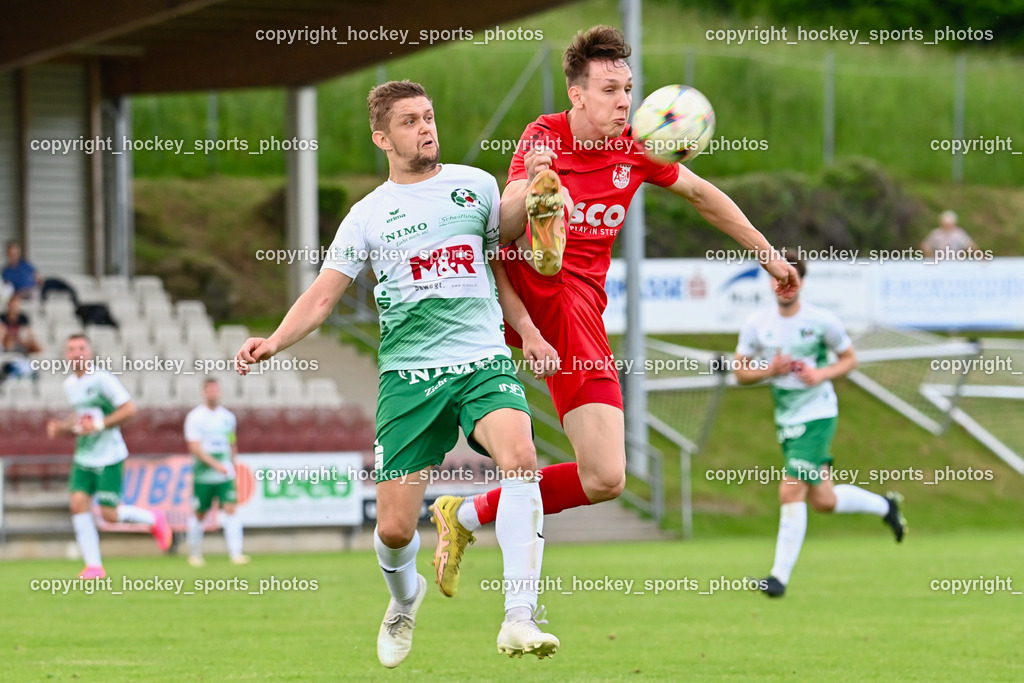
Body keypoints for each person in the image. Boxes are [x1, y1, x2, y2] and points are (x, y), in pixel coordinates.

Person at [430, 25, 801, 597]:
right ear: (577, 95)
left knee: (605, 477)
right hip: (525, 291)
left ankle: (467, 515)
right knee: (525, 219)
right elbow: (497, 222)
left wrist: (770, 258)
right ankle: (542, 229)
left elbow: (705, 197)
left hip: (580, 310)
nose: (624, 100)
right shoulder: (543, 134)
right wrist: (536, 182)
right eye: (609, 89)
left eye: (628, 88)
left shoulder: (638, 146)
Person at [234, 80, 562, 668]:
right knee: (391, 530)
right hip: (409, 378)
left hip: (483, 361)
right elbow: (323, 297)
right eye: (410, 122)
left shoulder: (476, 186)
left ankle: (520, 616)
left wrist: (530, 333)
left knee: (521, 457)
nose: (426, 128)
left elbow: (501, 269)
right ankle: (405, 601)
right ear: (383, 138)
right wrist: (274, 341)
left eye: (429, 117)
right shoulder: (367, 215)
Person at [731, 253, 907, 598]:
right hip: (786, 417)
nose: (783, 285)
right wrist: (770, 370)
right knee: (824, 500)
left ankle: (778, 578)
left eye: (791, 278)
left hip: (818, 413)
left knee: (790, 488)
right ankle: (887, 507)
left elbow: (849, 359)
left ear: (802, 283)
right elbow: (740, 373)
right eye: (777, 278)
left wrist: (820, 374)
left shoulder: (822, 321)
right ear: (770, 281)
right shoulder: (756, 323)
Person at [46, 334, 172, 579]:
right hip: (84, 456)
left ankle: (154, 518)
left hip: (109, 456)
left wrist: (100, 424)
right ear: (66, 355)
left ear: (90, 352)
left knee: (109, 515)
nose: (76, 353)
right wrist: (62, 428)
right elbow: (81, 416)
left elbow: (129, 409)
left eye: (81, 348)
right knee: (77, 505)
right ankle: (94, 566)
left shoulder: (102, 379)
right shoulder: (70, 384)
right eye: (71, 349)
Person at [184, 378, 248, 566]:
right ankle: (194, 554)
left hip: (224, 473)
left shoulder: (228, 418)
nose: (213, 393)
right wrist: (215, 464)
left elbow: (231, 444)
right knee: (200, 514)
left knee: (231, 509)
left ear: (219, 392)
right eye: (209, 390)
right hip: (203, 474)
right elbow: (195, 448)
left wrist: (233, 469)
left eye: (215, 390)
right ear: (204, 393)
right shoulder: (195, 417)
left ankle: (236, 553)